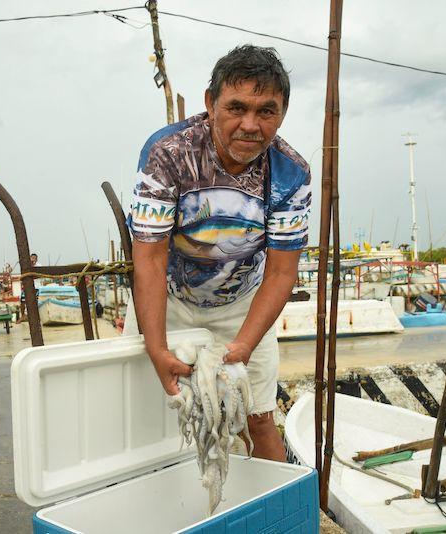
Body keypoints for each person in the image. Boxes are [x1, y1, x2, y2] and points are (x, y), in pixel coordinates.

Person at [123, 45, 310, 462]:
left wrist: (243, 345)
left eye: (267, 112)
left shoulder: (290, 173)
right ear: (210, 103)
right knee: (148, 417)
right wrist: (156, 347)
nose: (250, 125)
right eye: (236, 107)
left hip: (241, 302)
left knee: (258, 416)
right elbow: (149, 260)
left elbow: (281, 274)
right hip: (168, 298)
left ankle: (272, 519)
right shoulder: (168, 154)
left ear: (283, 112)